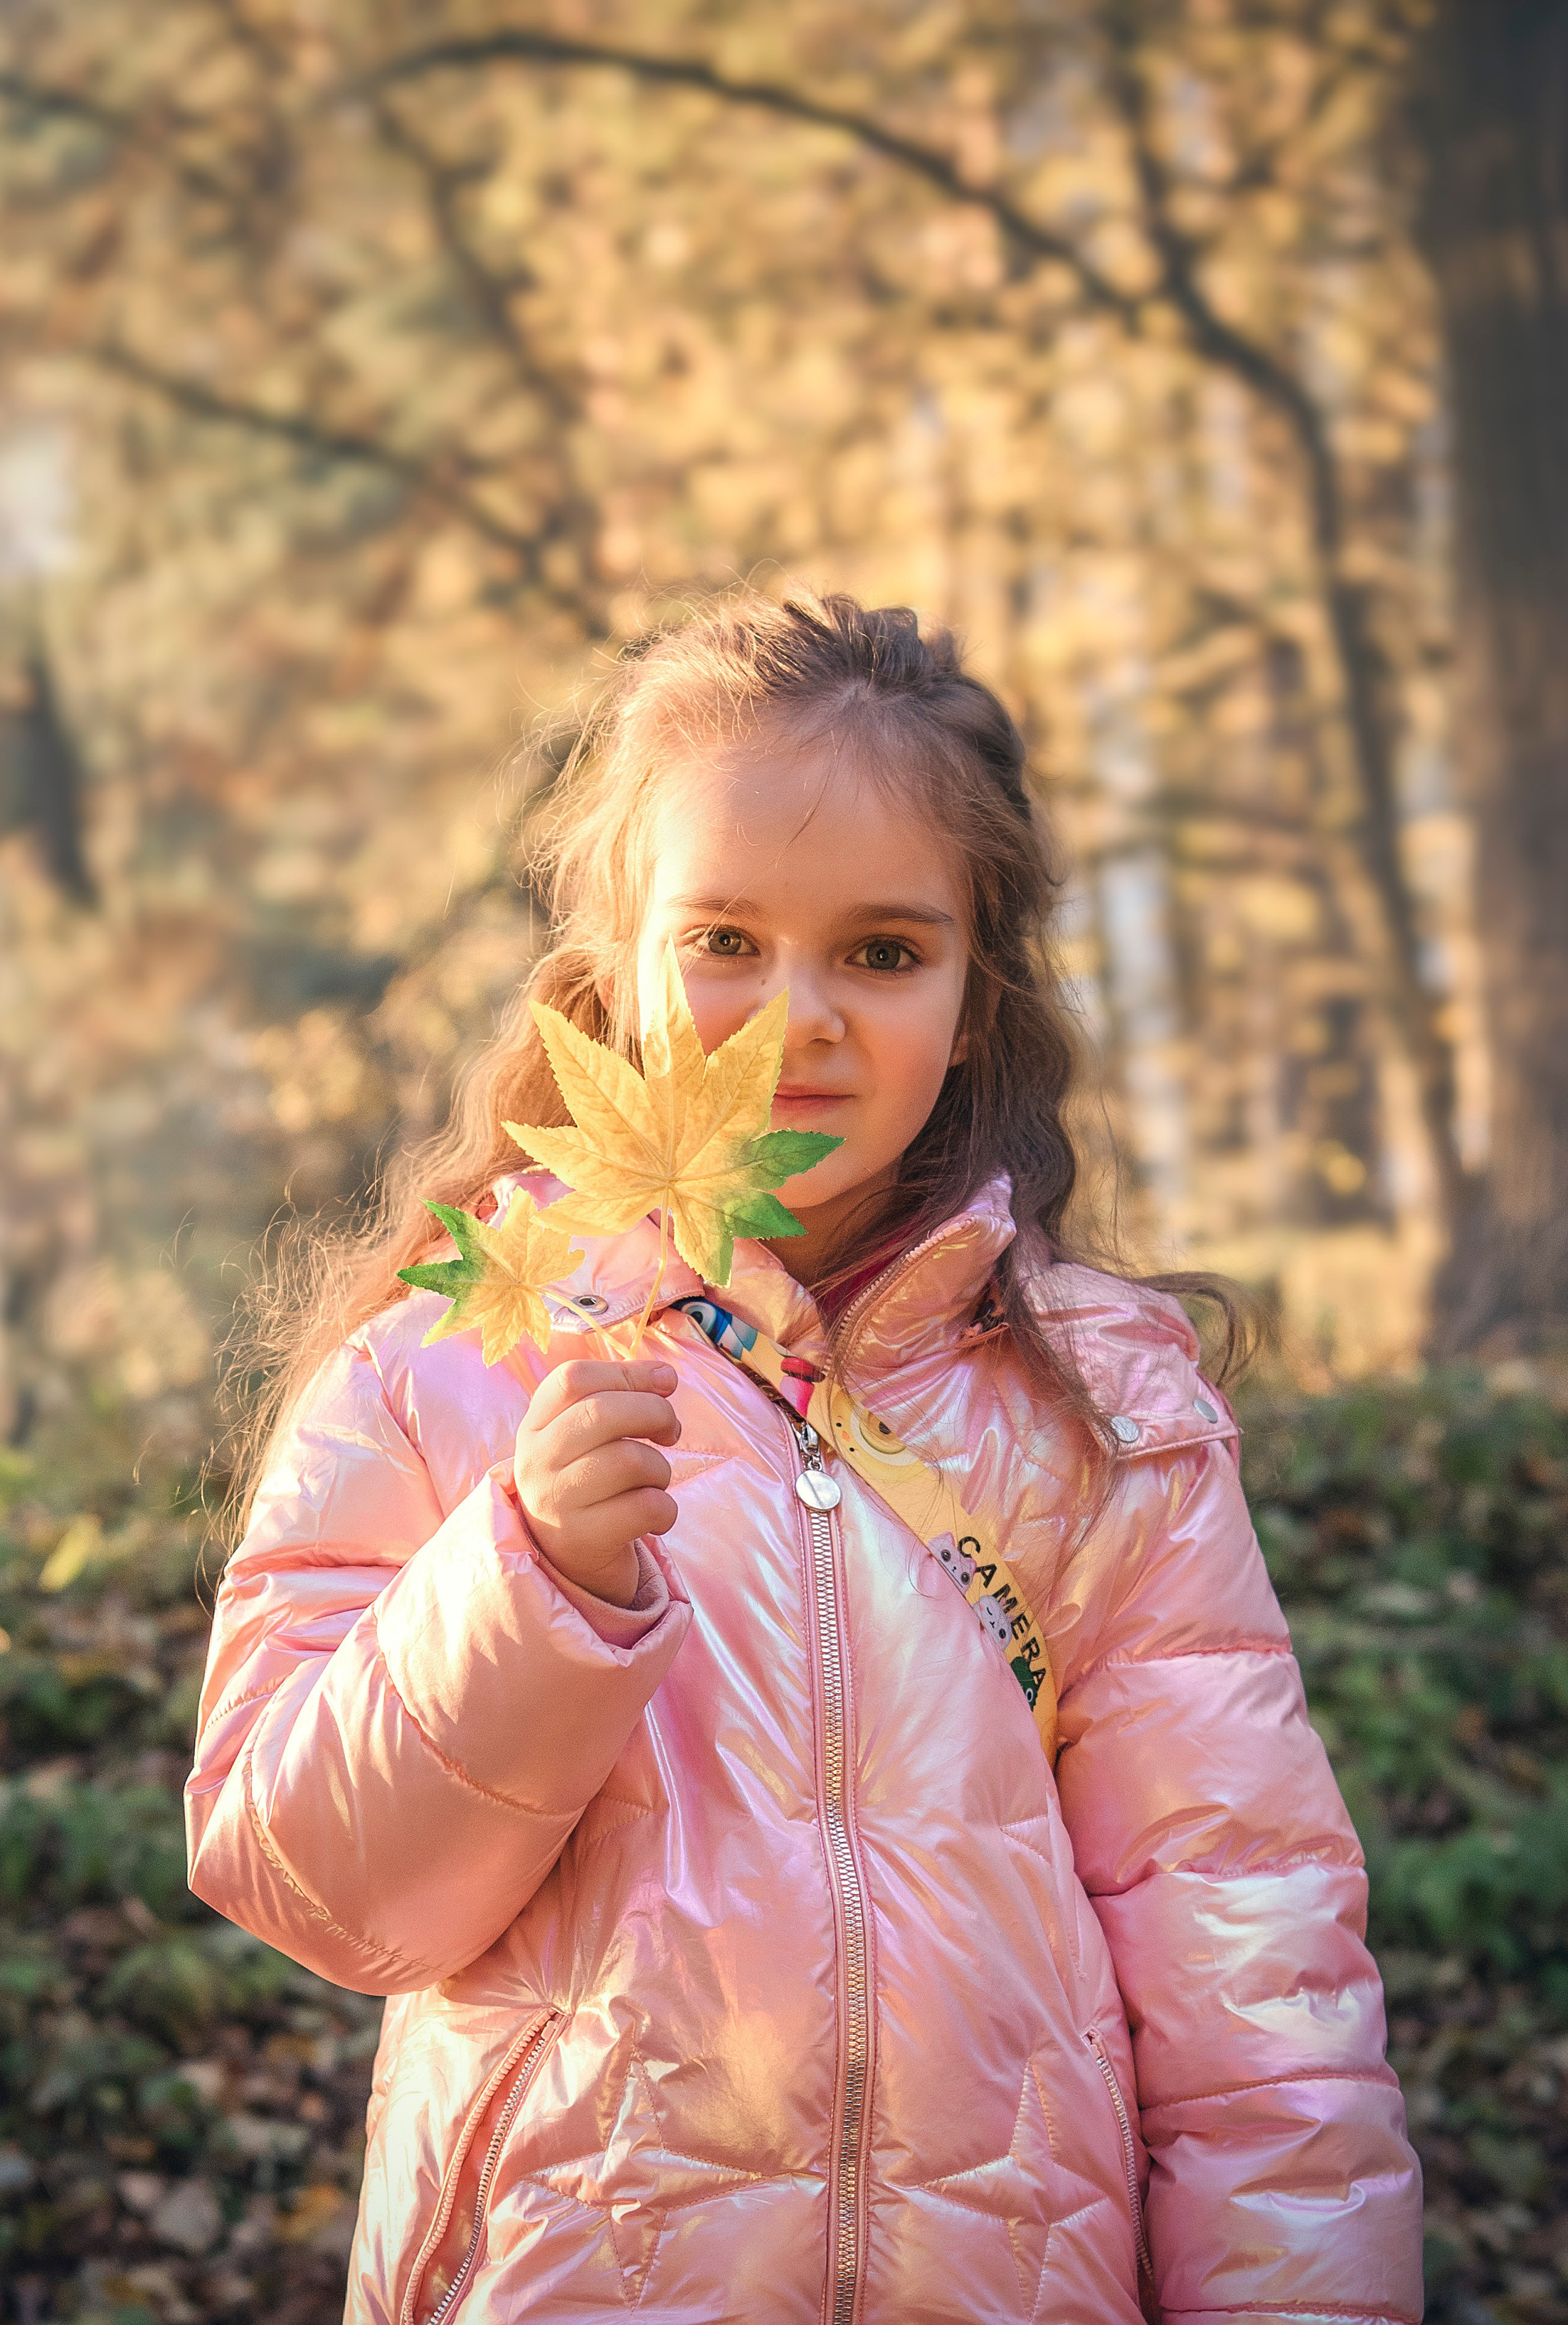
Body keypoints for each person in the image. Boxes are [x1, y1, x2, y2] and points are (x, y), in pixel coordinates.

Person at [188, 589, 1424, 2324]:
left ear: (975, 999)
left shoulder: (1103, 1410)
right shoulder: (450, 1362)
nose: (796, 1016)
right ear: (611, 977)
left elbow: (1250, 1955)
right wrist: (526, 1581)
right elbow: (313, 1880)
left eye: (882, 952)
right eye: (723, 941)